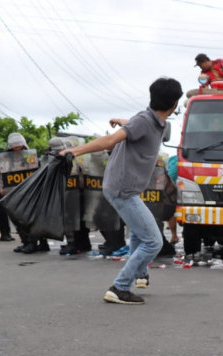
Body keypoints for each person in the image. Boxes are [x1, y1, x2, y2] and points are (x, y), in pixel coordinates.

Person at [61, 77, 183, 304]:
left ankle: (139, 275)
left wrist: (121, 121)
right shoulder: (145, 121)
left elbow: (136, 127)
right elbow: (110, 141)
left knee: (139, 232)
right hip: (122, 189)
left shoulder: (153, 122)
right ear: (175, 104)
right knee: (154, 241)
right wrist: (75, 151)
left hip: (124, 188)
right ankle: (120, 287)